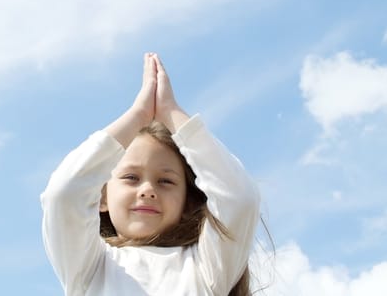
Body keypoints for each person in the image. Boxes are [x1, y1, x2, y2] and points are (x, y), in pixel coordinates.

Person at [40, 53, 261, 295]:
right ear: (102, 198)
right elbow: (63, 194)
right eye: (131, 178)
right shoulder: (90, 267)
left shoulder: (204, 268)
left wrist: (171, 113)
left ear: (187, 203)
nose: (148, 190)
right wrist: (138, 115)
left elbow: (240, 199)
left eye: (166, 181)